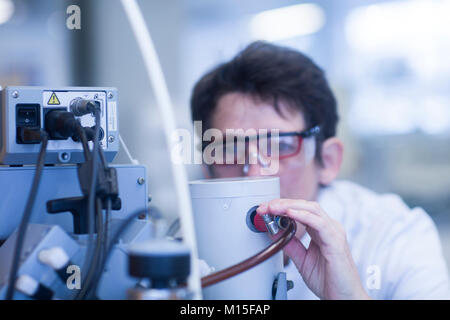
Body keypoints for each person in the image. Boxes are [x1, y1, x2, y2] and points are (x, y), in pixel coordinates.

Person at [190, 41, 449, 299]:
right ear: (207, 168)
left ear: (328, 161)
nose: (255, 173)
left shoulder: (393, 235)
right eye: (230, 149)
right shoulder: (181, 247)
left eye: (281, 145)